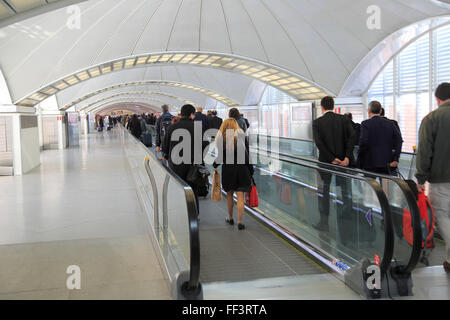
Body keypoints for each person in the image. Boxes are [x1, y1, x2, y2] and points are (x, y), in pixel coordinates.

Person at [416, 82, 450, 273]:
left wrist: (420, 178)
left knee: (441, 216)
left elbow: (425, 150)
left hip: (441, 180)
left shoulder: (432, 118)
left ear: (437, 98)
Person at [312, 96, 355, 245]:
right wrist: (347, 157)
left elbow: (319, 143)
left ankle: (324, 222)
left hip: (326, 163)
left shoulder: (317, 123)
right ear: (333, 105)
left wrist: (331, 158)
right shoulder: (344, 120)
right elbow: (352, 137)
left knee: (324, 191)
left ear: (322, 107)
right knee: (345, 192)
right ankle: (346, 223)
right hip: (344, 164)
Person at [213, 118, 254, 230]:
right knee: (240, 196)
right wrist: (251, 170)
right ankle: (240, 222)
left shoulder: (222, 138)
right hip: (242, 169)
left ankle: (230, 218)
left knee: (230, 195)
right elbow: (246, 156)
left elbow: (220, 156)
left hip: (228, 170)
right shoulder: (241, 137)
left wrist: (215, 164)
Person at [163, 104, 202, 216]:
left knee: (179, 188)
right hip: (192, 164)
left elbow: (166, 145)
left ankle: (181, 213)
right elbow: (204, 145)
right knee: (193, 189)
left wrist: (166, 155)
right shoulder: (197, 127)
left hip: (175, 164)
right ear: (191, 114)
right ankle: (194, 214)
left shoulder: (172, 127)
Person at [357, 101, 403, 175]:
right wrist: (396, 159)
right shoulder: (390, 123)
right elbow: (399, 141)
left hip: (370, 163)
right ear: (380, 111)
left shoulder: (365, 124)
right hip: (387, 163)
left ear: (368, 111)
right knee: (386, 186)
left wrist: (359, 162)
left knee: (370, 185)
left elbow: (363, 143)